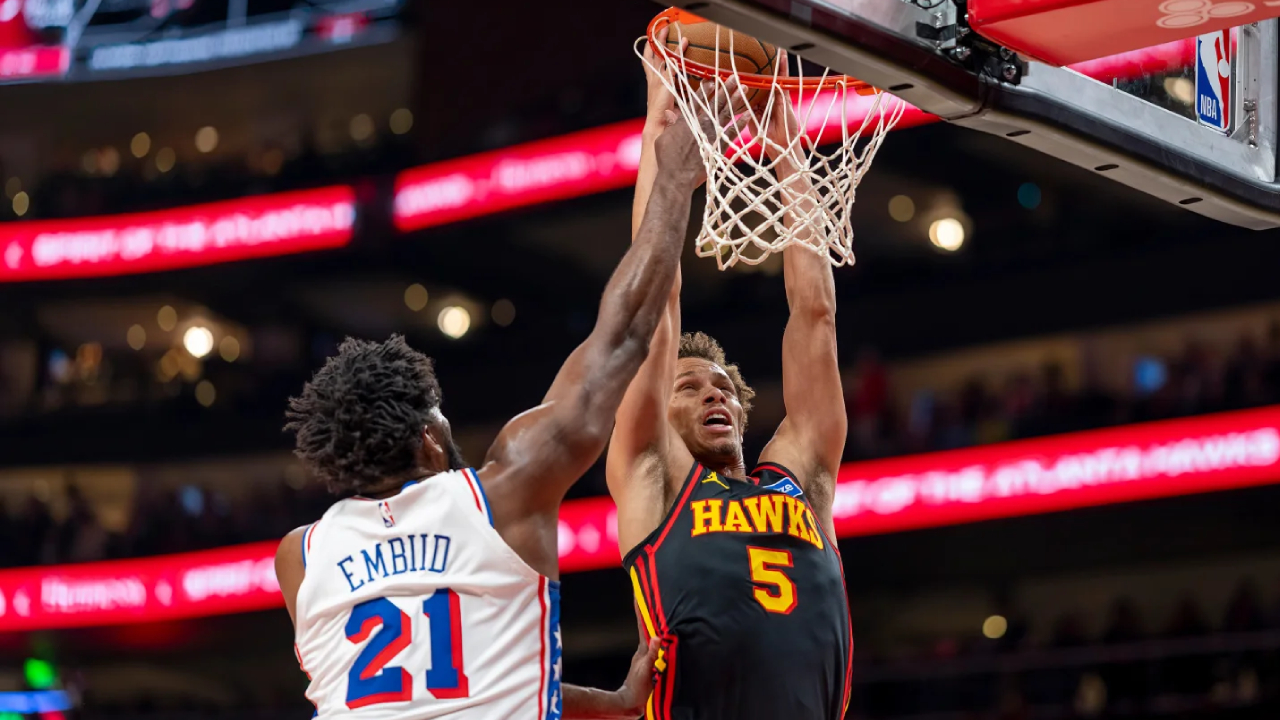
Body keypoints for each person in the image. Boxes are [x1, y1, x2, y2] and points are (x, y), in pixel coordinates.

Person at [274, 64, 738, 719]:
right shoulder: (502, 491)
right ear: (429, 437)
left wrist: (612, 705)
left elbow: (432, 686)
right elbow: (626, 334)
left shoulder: (300, 554)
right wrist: (671, 182)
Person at [604, 42, 852, 720]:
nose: (712, 393)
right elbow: (653, 309)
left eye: (720, 386)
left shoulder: (801, 482)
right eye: (688, 387)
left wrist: (785, 150)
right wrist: (660, 124)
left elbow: (816, 316)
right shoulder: (658, 478)